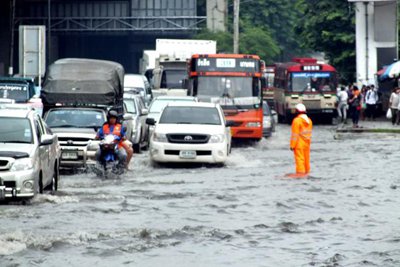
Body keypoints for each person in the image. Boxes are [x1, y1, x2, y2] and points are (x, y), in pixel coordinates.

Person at [289, 103, 313, 178]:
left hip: (299, 144)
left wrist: (292, 145)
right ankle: (307, 173)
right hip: (307, 144)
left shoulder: (296, 121)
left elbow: (295, 135)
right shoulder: (309, 121)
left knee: (300, 160)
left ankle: (300, 175)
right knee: (306, 160)